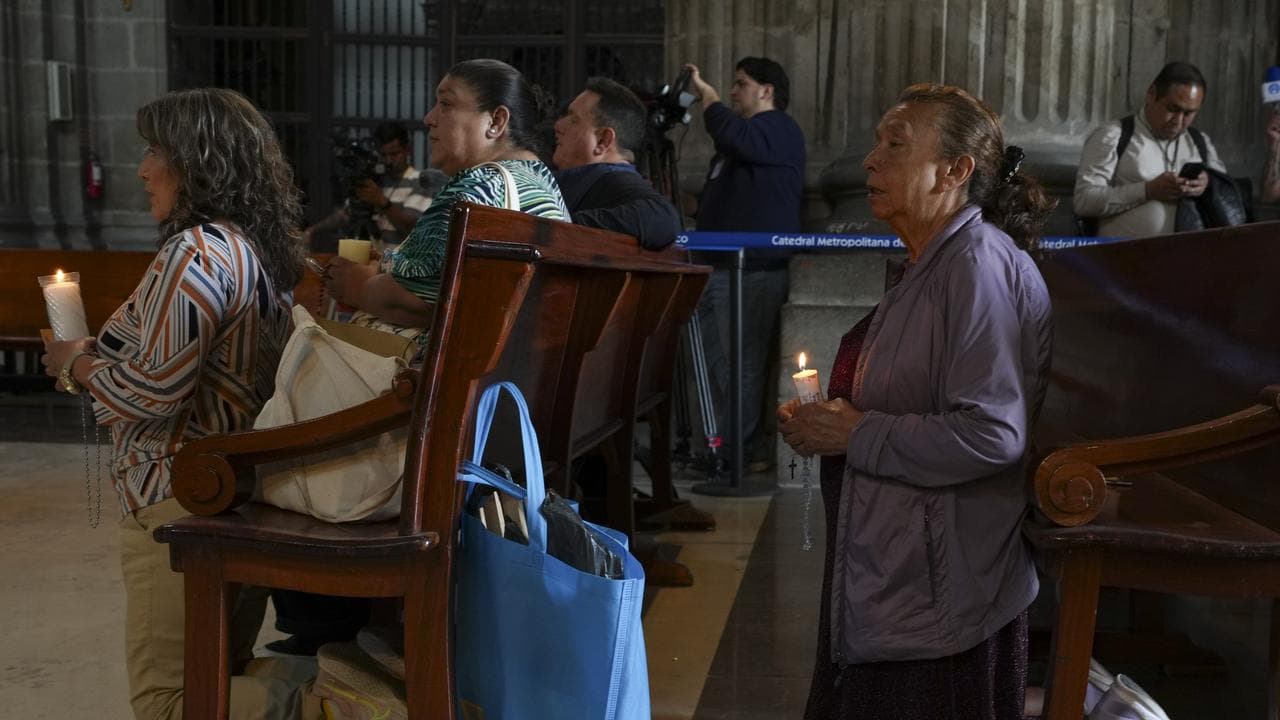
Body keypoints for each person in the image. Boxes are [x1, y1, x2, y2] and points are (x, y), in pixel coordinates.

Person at [777, 83, 1054, 720]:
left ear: (955, 171)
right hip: (902, 567)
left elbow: (992, 434)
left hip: (939, 591)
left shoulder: (976, 265)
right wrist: (826, 421)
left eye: (895, 145)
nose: (871, 160)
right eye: (877, 143)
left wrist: (854, 433)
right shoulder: (932, 263)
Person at [40, 88, 318, 719]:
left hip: (178, 491)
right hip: (231, 490)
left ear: (198, 161)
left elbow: (155, 389)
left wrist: (77, 364)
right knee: (220, 672)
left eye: (155, 151)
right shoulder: (252, 251)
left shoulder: (193, 252)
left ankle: (343, 704)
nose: (143, 169)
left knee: (170, 702)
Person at [324, 58, 569, 340]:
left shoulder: (478, 187)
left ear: (496, 121)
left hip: (437, 365)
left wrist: (356, 286)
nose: (429, 118)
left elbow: (415, 301)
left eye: (446, 104)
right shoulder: (543, 182)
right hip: (516, 360)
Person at [685, 56, 806, 471]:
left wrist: (709, 96)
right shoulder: (744, 142)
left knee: (742, 365)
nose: (734, 91)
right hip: (716, 266)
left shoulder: (777, 129)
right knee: (716, 365)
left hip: (751, 270)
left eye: (741, 84)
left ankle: (735, 453)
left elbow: (732, 133)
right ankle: (717, 445)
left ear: (766, 91)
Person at [1074, 61, 1225, 237]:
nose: (1178, 121)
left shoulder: (1201, 142)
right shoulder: (1112, 136)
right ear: (1151, 94)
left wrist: (1208, 184)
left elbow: (1226, 196)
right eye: (1172, 109)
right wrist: (1147, 191)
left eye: (1188, 113)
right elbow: (1084, 201)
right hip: (1122, 253)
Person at [552, 76, 681, 249]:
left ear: (603, 141)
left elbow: (664, 219)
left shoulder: (616, 180)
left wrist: (554, 226)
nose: (558, 126)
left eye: (574, 120)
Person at [303, 121, 433, 249]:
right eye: (383, 155)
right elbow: (346, 214)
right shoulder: (376, 179)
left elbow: (414, 230)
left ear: (407, 150)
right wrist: (313, 230)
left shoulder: (420, 181)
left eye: (394, 154)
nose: (388, 160)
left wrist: (382, 202)